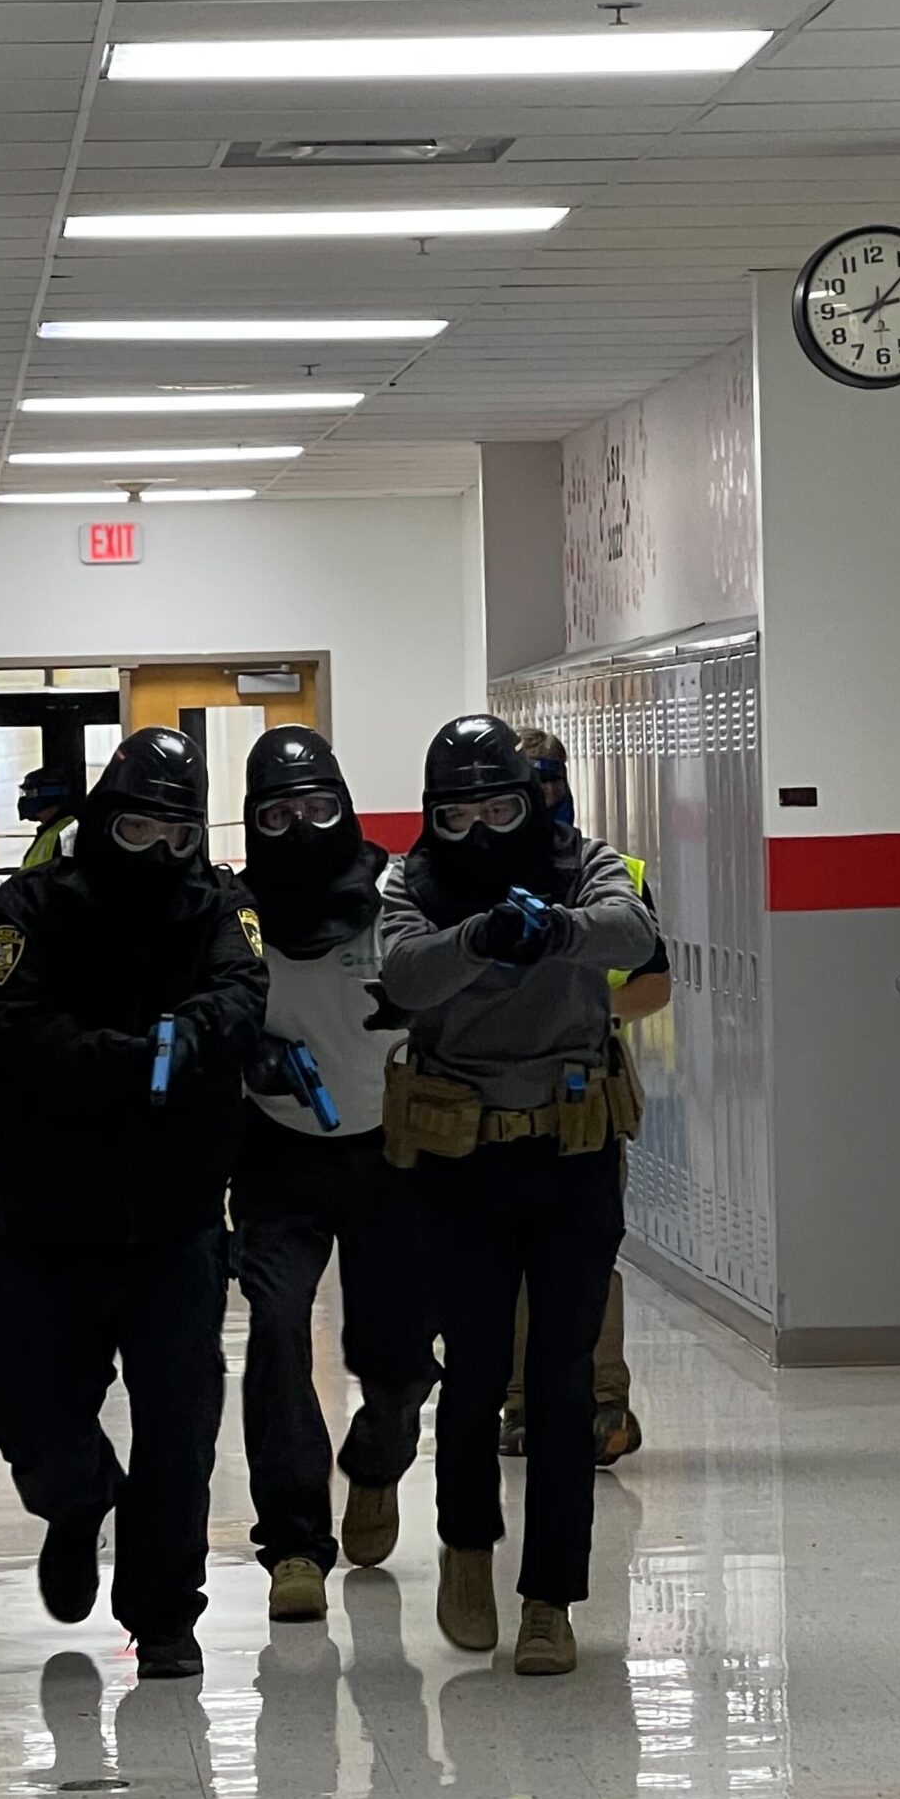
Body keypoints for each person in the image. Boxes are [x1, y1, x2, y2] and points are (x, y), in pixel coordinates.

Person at [0, 726, 267, 1678]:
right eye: (139, 827)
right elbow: (25, 1030)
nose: (160, 852)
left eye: (178, 834)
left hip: (174, 1222)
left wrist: (188, 1037)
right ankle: (76, 1500)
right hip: (46, 1219)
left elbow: (242, 992)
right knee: (29, 1413)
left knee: (179, 1430)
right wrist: (139, 1062)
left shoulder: (222, 904)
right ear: (106, 816)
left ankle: (166, 1617)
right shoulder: (30, 906)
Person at [378, 714, 656, 1676]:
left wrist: (557, 929)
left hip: (572, 1156)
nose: (484, 830)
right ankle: (466, 1550)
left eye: (503, 806)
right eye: (460, 814)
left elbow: (634, 930)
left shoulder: (585, 864)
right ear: (432, 815)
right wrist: (480, 937)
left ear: (532, 801)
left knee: (563, 1380)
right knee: (475, 1369)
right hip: (462, 1164)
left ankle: (549, 1601)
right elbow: (404, 971)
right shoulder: (410, 880)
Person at [232, 725, 438, 1627]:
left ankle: (383, 1453)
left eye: (318, 808)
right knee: (277, 1331)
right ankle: (293, 1545)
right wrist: (249, 1053)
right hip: (279, 1152)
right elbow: (204, 1004)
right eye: (278, 815)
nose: (301, 828)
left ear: (345, 803)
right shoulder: (233, 911)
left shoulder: (398, 891)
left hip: (395, 1148)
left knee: (395, 1354)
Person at [499, 728, 671, 1468]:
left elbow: (654, 983)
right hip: (494, 1087)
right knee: (505, 1256)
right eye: (527, 780)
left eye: (551, 779)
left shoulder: (610, 875)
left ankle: (605, 1403)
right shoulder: (466, 875)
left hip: (588, 1087)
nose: (543, 795)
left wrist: (586, 1013)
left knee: (590, 1247)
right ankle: (517, 1405)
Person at [16, 764, 83, 868]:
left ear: (49, 796)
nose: (25, 799)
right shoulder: (50, 830)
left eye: (30, 794)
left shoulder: (67, 832)